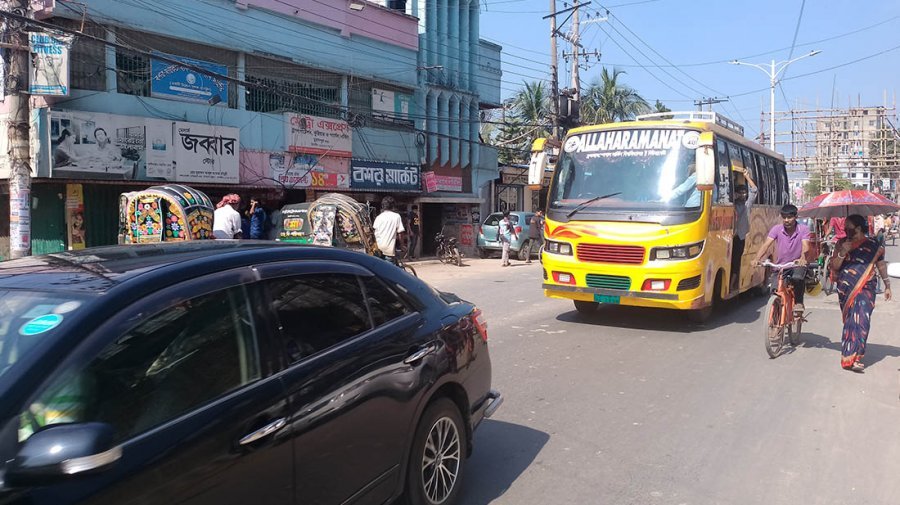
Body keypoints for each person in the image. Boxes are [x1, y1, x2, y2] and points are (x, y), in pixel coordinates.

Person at [828, 214, 892, 372]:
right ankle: (848, 355)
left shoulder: (873, 245)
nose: (845, 231)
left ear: (858, 228)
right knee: (851, 322)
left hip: (867, 286)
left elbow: (881, 265)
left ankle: (855, 357)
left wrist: (887, 285)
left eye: (848, 228)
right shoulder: (842, 243)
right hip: (846, 289)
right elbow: (835, 266)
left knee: (862, 319)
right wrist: (843, 252)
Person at [754, 204, 811, 312]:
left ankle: (798, 303)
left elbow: (805, 246)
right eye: (784, 217)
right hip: (781, 265)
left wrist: (802, 258)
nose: (786, 220)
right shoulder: (776, 229)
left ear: (796, 217)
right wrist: (757, 258)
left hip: (797, 264)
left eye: (789, 217)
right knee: (774, 290)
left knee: (797, 278)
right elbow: (766, 245)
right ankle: (776, 316)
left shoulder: (803, 229)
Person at [731, 167, 758, 291]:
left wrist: (747, 177)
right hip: (728, 237)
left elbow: (754, 190)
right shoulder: (731, 204)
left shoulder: (747, 205)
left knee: (736, 261)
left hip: (740, 237)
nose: (743, 195)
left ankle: (732, 284)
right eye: (740, 193)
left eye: (744, 193)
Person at [373, 196, 405, 263]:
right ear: (393, 206)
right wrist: (402, 246)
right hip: (389, 249)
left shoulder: (379, 217)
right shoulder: (396, 216)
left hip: (378, 248)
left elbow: (375, 232)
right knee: (390, 267)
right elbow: (400, 233)